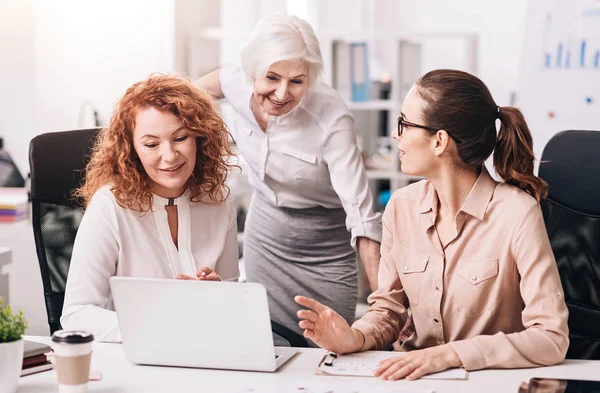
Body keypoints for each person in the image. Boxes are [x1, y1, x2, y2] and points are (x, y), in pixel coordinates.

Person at [296, 69, 569, 379]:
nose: (396, 135)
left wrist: (450, 355)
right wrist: (355, 337)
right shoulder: (400, 207)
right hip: (411, 382)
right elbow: (388, 311)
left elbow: (551, 338)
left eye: (404, 124)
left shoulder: (516, 213)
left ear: (439, 141)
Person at [196, 12, 382, 341]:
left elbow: (362, 216)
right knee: (259, 340)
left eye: (297, 81)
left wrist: (385, 307)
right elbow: (181, 98)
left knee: (328, 351)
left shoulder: (331, 117)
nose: (282, 93)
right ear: (252, 70)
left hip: (324, 251)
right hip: (265, 239)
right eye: (272, 78)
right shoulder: (233, 81)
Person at [61, 75, 240, 342]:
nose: (169, 156)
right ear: (131, 149)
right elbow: (77, 314)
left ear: (200, 139)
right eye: (151, 144)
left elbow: (234, 305)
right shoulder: (109, 206)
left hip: (204, 351)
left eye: (180, 138)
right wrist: (157, 324)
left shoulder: (218, 202)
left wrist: (219, 296)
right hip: (134, 359)